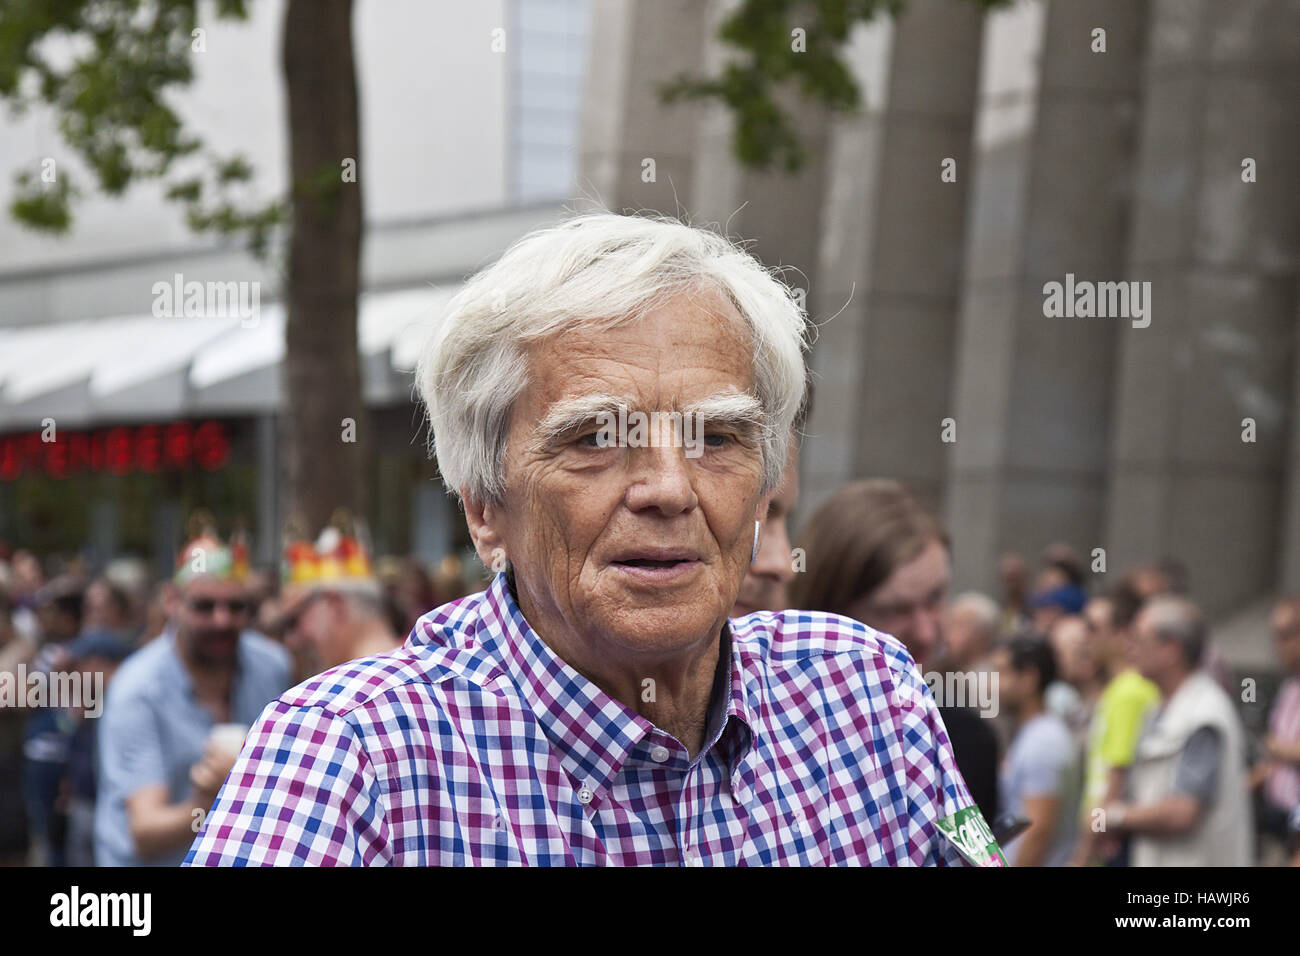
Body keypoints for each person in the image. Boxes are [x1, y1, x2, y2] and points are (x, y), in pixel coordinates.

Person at [186, 212, 986, 866]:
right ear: (484, 507)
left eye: (717, 435)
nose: (670, 489)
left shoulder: (865, 693)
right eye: (597, 438)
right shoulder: (349, 759)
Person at [791, 479, 1002, 826]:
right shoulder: (766, 732)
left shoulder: (964, 742)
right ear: (828, 610)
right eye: (894, 610)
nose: (925, 631)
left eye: (936, 598)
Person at [95, 531, 291, 866]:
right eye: (204, 606)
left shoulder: (271, 666)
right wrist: (213, 800)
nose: (222, 620)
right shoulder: (138, 689)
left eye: (235, 606)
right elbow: (145, 833)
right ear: (172, 602)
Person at [1108, 595, 1253, 866]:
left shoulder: (1204, 714)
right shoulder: (1159, 707)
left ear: (1171, 649)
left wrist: (1114, 816)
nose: (1129, 648)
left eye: (1138, 639)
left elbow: (1183, 812)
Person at [1073, 587, 1159, 866]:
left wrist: (1084, 855)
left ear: (1122, 634)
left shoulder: (1128, 692)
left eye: (1093, 628)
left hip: (1110, 846)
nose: (1084, 638)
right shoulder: (1120, 689)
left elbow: (1115, 779)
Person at [991, 636, 1081, 866]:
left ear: (1029, 678)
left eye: (1002, 672)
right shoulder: (1033, 733)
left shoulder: (1045, 740)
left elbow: (1037, 831)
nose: (993, 684)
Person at [275, 527, 402, 682]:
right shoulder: (418, 667)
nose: (291, 640)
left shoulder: (353, 689)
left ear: (335, 605)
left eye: (294, 621)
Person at [1253, 595, 1300, 861]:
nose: (1277, 646)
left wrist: (1278, 747)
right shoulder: (1289, 688)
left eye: (1285, 636)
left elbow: (1276, 747)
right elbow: (1273, 760)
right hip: (1278, 821)